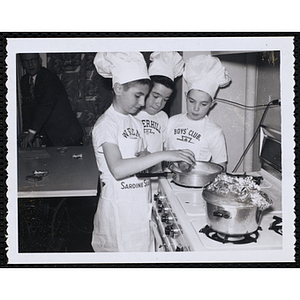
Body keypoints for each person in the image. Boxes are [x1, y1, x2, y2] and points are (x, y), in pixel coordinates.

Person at [91, 52, 195, 252]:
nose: (141, 103)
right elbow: (119, 169)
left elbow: (142, 162)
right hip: (118, 211)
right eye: (138, 95)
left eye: (144, 96)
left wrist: (169, 162)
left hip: (140, 206)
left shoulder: (135, 122)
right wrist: (164, 155)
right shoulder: (106, 124)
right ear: (118, 88)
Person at [166, 54, 231, 170]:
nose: (196, 108)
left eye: (203, 104)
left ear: (212, 104)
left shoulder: (215, 132)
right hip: (168, 180)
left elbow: (220, 167)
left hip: (197, 183)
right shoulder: (171, 121)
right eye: (192, 101)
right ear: (186, 97)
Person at [19, 53, 84, 148]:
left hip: (69, 135)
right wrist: (26, 131)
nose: (30, 64)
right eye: (26, 61)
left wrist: (31, 132)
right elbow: (26, 108)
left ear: (40, 61)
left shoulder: (49, 77)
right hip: (51, 136)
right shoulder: (24, 81)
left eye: (33, 60)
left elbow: (45, 106)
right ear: (22, 64)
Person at [135, 51, 184, 171]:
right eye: (155, 96)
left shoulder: (163, 117)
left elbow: (164, 147)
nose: (159, 103)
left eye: (165, 99)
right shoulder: (132, 113)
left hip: (156, 175)